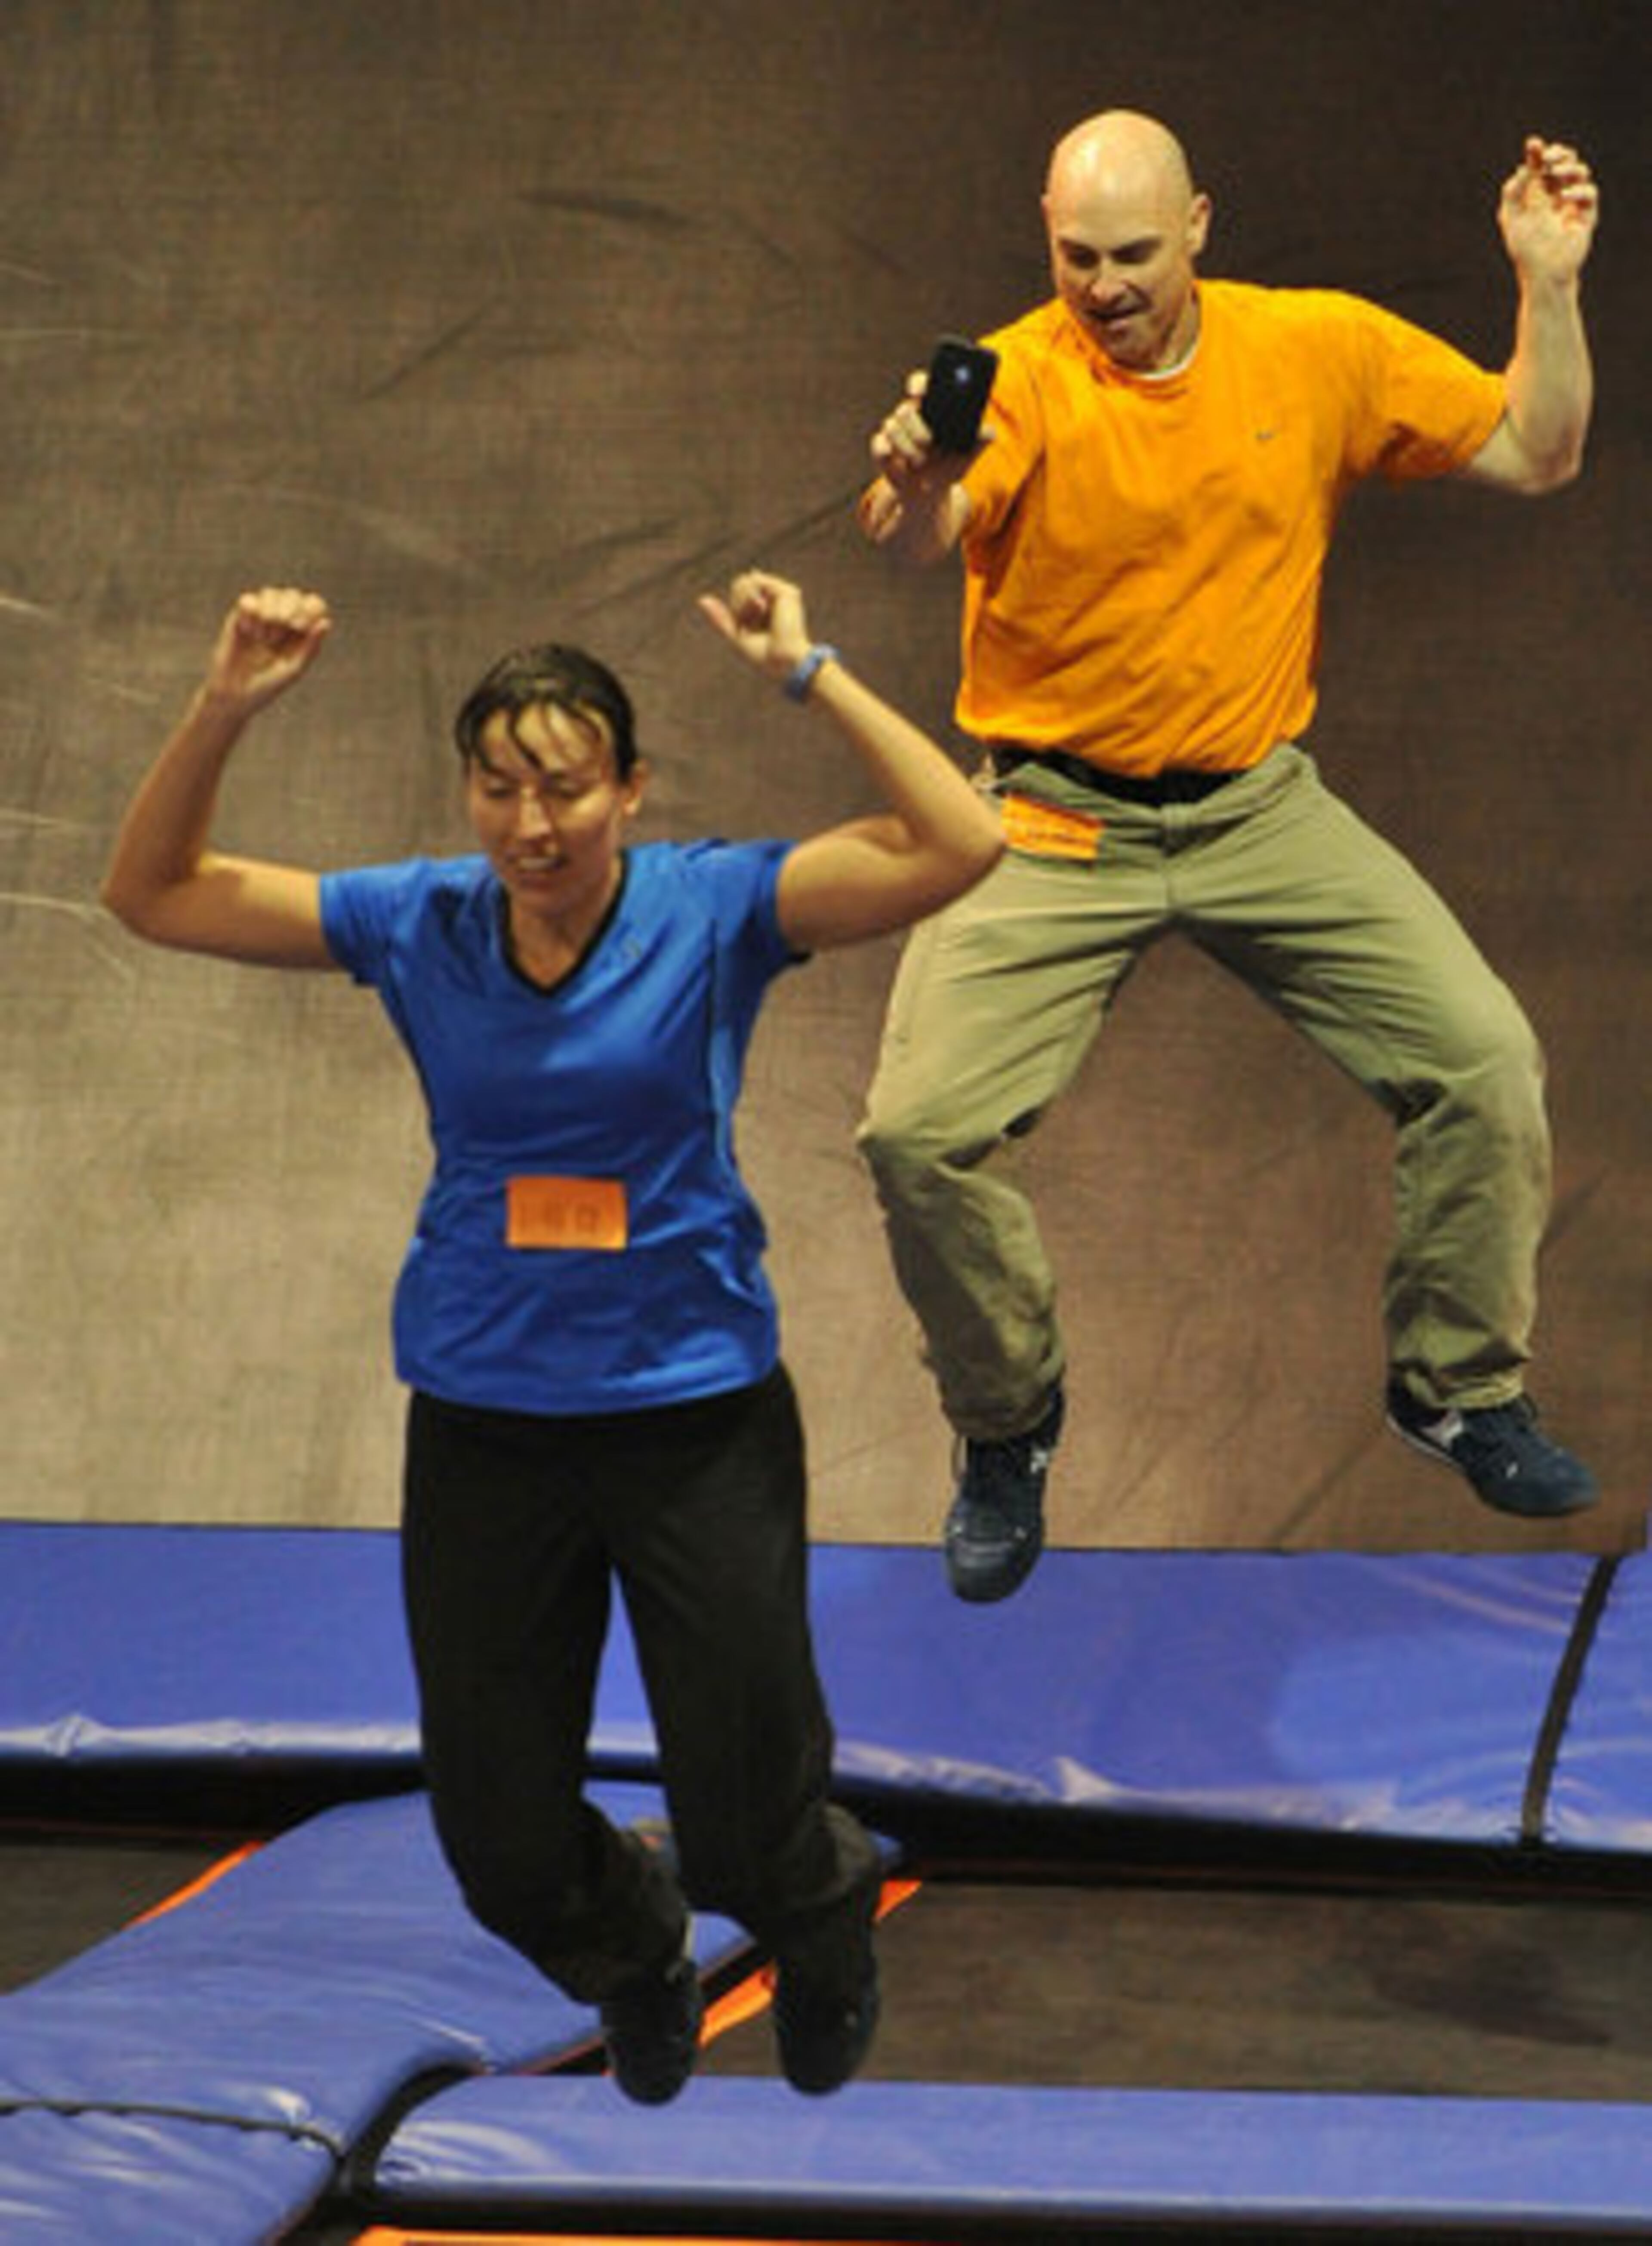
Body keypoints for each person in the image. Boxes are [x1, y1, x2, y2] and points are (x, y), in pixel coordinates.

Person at [100, 569, 1002, 2101]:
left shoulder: (715, 908)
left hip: (692, 1416)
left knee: (745, 1825)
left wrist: (811, 671)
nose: (533, 825)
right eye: (501, 789)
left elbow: (959, 845)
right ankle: (636, 1951)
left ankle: (821, 1912)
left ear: (629, 790)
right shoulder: (417, 921)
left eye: (568, 789)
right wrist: (225, 706)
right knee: (503, 1845)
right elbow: (152, 892)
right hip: (486, 1423)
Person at [855, 111, 1601, 1603]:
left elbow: (1539, 451)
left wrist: (1549, 282)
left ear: (1200, 225)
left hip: (1257, 808)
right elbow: (911, 535)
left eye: (1135, 254)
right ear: (1046, 234)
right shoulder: (1022, 377)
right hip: (1054, 822)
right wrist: (922, 476)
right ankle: (1007, 1424)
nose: (1106, 287)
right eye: (1078, 257)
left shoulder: (1311, 348)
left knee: (1484, 1062)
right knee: (916, 1135)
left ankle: (1455, 1386)